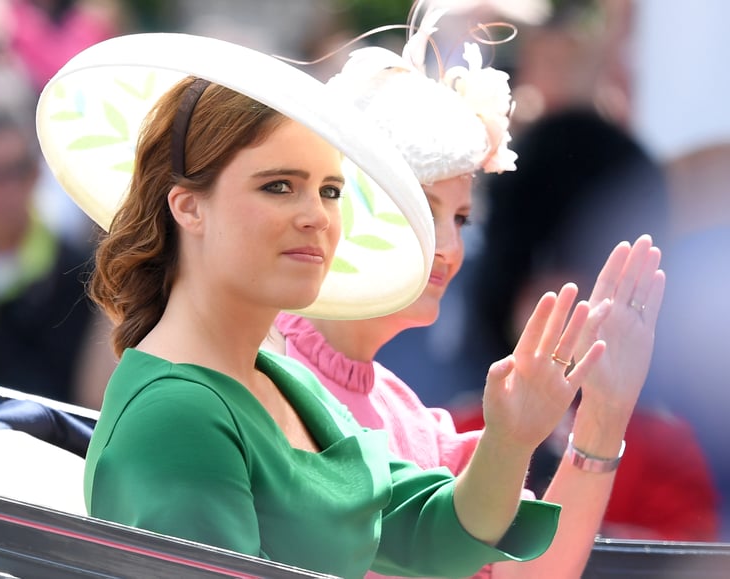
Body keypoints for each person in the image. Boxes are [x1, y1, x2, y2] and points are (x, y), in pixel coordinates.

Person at [37, 32, 613, 579]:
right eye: (278, 186)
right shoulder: (178, 414)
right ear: (190, 208)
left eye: (330, 190)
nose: (317, 214)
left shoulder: (282, 379)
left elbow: (430, 532)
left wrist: (512, 436)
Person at [266, 8, 667, 578]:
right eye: (426, 210)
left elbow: (524, 574)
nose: (450, 247)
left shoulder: (411, 415)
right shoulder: (263, 367)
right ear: (341, 200)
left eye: (461, 218)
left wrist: (603, 416)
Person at [453, 106, 718, 542]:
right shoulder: (458, 429)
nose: (570, 318)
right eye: (550, 297)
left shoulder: (665, 449)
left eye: (584, 292)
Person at [0, 99, 112, 404]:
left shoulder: (74, 271)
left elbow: (54, 396)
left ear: (35, 172)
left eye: (15, 171)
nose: (0, 188)